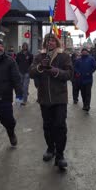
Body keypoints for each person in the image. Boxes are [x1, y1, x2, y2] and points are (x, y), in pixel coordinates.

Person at [29, 33, 73, 170]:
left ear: (57, 42)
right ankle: (50, 148)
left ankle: (60, 155)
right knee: (47, 126)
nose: (50, 43)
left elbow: (69, 74)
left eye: (53, 40)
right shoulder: (39, 57)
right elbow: (31, 73)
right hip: (44, 99)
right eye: (48, 40)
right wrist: (40, 67)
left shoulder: (64, 56)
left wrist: (52, 70)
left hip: (59, 99)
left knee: (59, 126)